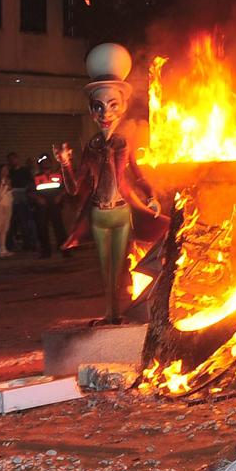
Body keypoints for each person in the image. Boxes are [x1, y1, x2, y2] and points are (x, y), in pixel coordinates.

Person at [59, 43, 167, 323]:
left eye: (112, 105)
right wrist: (65, 163)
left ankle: (118, 313)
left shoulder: (124, 144)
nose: (105, 113)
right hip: (98, 213)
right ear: (91, 111)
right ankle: (110, 314)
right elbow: (73, 187)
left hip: (121, 211)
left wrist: (151, 196)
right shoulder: (91, 147)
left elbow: (139, 174)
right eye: (98, 107)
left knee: (119, 263)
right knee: (106, 267)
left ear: (122, 107)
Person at [33, 154, 68, 259]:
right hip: (42, 207)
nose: (46, 163)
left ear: (51, 163)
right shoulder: (36, 177)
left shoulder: (57, 175)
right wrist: (38, 198)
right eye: (43, 161)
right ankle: (45, 252)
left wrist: (60, 196)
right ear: (40, 164)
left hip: (55, 205)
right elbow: (30, 191)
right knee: (42, 229)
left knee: (59, 228)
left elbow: (65, 187)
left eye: (48, 161)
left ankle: (65, 250)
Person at [0, 164, 18, 258]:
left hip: (8, 205)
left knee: (5, 228)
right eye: (3, 170)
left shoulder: (8, 180)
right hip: (0, 205)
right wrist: (5, 186)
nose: (5, 171)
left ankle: (2, 248)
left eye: (6, 169)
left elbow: (10, 193)